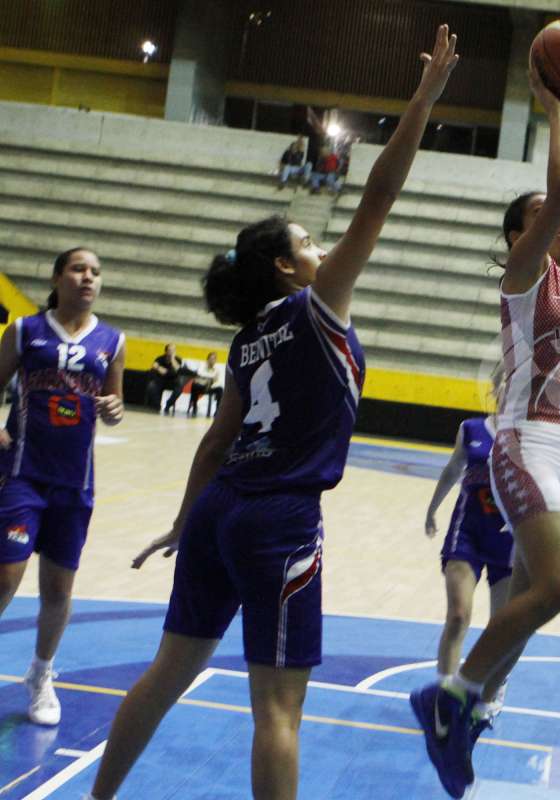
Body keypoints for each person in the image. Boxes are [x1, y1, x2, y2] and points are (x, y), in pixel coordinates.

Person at [85, 25, 459, 800]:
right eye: (310, 241)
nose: (325, 247)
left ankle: (97, 797)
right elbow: (380, 196)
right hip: (280, 520)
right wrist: (421, 101)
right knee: (279, 711)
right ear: (289, 268)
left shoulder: (247, 341)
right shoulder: (316, 310)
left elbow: (216, 443)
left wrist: (186, 521)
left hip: (223, 512)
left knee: (166, 673)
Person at [410, 78, 560, 799]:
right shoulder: (524, 278)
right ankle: (449, 696)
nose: (548, 221)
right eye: (533, 217)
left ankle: (470, 716)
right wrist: (555, 110)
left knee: (527, 606)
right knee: (559, 585)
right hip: (528, 440)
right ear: (518, 237)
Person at [0, 246, 125, 726]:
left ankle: (41, 673)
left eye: (96, 271)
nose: (88, 278)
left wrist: (113, 410)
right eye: (78, 269)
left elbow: (114, 403)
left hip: (75, 482)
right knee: (6, 575)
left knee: (58, 588)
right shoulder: (24, 331)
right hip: (22, 473)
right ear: (57, 278)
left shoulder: (112, 341)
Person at [424, 402, 513, 724]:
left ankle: (495, 685)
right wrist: (432, 508)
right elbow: (452, 469)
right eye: (504, 381)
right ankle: (445, 700)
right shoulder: (471, 429)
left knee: (502, 627)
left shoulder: (533, 436)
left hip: (510, 540)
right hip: (468, 533)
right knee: (458, 616)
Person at [144, 343, 182, 412]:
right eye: (170, 350)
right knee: (151, 386)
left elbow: (177, 369)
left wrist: (172, 359)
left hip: (172, 381)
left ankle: (168, 405)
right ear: (166, 351)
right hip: (160, 380)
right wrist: (160, 369)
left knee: (179, 389)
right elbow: (154, 366)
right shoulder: (160, 358)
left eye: (173, 350)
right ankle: (157, 406)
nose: (172, 352)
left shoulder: (178, 359)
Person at [186, 351, 224, 417]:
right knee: (195, 385)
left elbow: (217, 381)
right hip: (200, 387)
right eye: (211, 359)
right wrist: (210, 378)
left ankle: (217, 411)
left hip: (209, 387)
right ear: (207, 359)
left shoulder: (217, 369)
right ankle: (194, 407)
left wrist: (207, 379)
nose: (212, 361)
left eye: (214, 359)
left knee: (220, 389)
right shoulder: (202, 365)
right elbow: (200, 373)